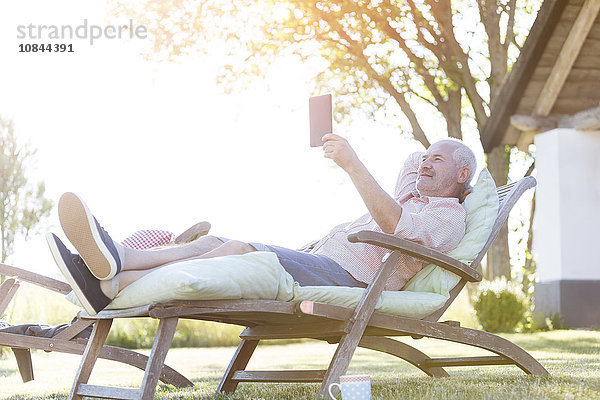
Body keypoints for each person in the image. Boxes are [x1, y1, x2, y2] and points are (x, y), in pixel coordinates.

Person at [46, 134, 476, 315]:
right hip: (319, 259)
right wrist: (429, 158)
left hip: (352, 279)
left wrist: (352, 164)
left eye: (437, 160)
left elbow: (395, 228)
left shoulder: (446, 218)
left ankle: (112, 285)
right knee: (215, 240)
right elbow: (410, 161)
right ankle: (118, 259)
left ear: (461, 176)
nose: (424, 163)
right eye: (426, 157)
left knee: (240, 251)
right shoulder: (412, 192)